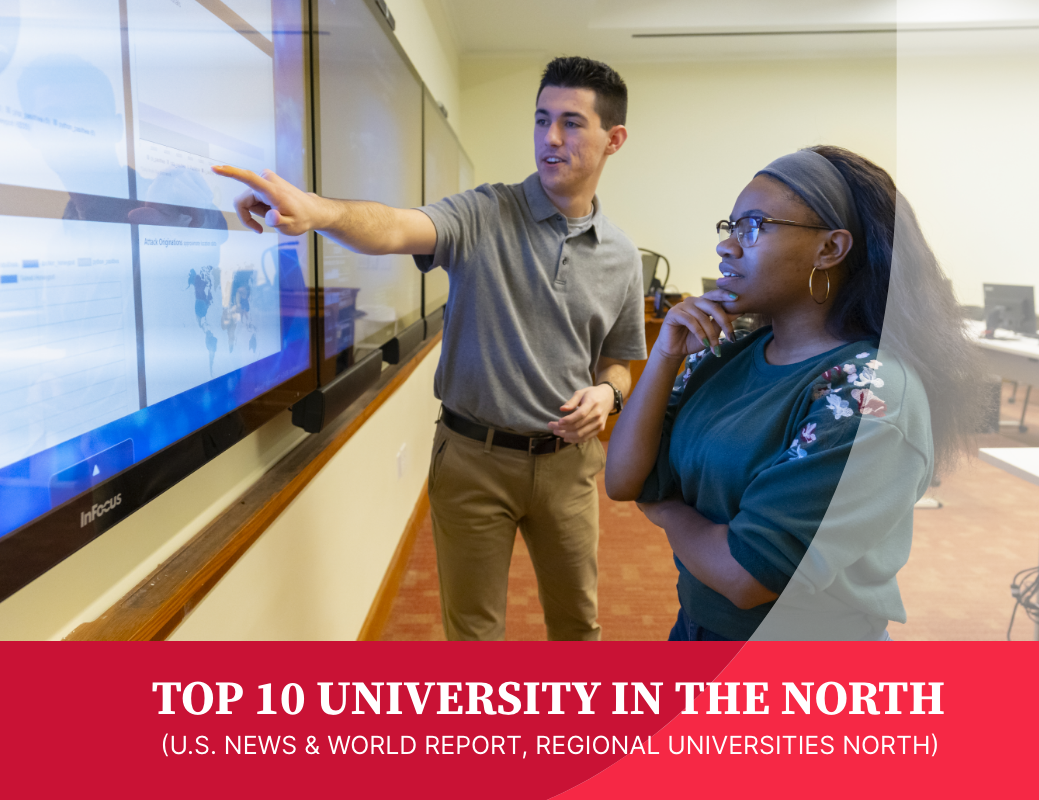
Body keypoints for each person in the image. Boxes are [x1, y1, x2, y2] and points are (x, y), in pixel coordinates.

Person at [213, 56, 647, 641]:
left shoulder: (622, 256)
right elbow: (393, 227)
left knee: (578, 626)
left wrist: (608, 394)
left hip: (568, 468)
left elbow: (619, 363)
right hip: (474, 460)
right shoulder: (484, 213)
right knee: (472, 636)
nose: (550, 137)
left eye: (571, 122)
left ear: (613, 139)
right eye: (542, 118)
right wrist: (320, 212)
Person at [605, 145, 987, 641]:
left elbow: (748, 577)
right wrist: (664, 355)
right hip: (696, 632)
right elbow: (621, 478)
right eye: (730, 227)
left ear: (830, 248)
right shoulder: (723, 352)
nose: (727, 246)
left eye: (754, 226)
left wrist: (664, 507)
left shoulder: (866, 392)